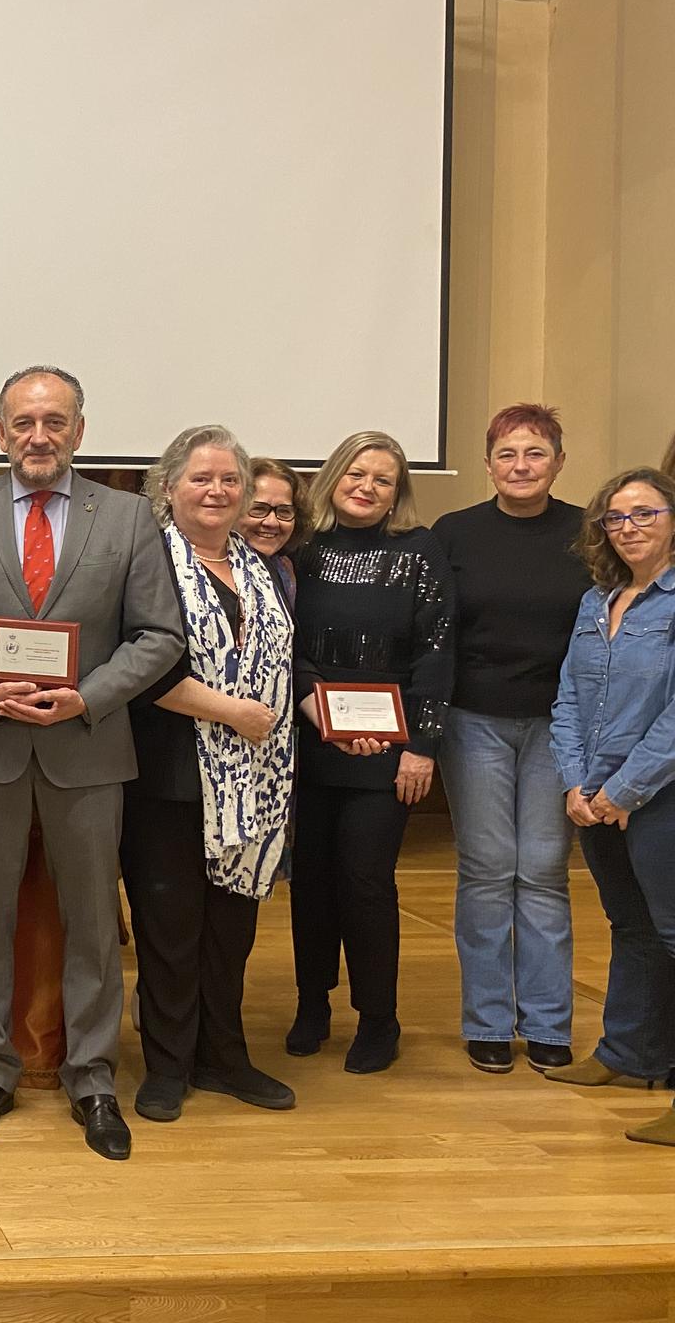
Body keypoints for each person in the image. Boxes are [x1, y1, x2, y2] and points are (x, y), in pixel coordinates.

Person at [0, 365, 183, 1159]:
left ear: (79, 432)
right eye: (23, 422)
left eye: (54, 422)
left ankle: (93, 1077)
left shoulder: (130, 517)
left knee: (95, 925)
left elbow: (160, 635)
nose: (39, 436)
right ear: (0, 433)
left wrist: (89, 696)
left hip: (89, 748)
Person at [124, 426, 296, 1124]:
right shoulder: (145, 565)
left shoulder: (267, 569)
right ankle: (167, 1066)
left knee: (232, 930)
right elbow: (141, 668)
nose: (218, 491)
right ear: (168, 489)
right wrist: (234, 713)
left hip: (254, 784)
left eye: (230, 480)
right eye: (201, 478)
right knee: (170, 927)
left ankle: (225, 1058)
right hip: (166, 776)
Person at [287, 430, 454, 1075]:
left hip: (389, 751)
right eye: (357, 474)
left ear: (397, 493)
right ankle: (311, 1006)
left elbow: (437, 652)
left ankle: (379, 1018)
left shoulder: (420, 552)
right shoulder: (302, 551)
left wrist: (422, 746)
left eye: (383, 480)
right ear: (334, 478)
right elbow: (285, 645)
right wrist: (317, 708)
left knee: (365, 880)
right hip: (309, 738)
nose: (368, 487)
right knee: (310, 882)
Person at [430, 405, 584, 1075]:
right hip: (475, 723)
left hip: (562, 725)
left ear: (558, 460)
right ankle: (488, 1021)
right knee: (489, 870)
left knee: (545, 870)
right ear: (489, 462)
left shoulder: (590, 533)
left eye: (535, 453)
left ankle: (549, 1023)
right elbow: (437, 635)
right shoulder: (454, 533)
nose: (520, 466)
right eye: (507, 454)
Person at [547, 467, 675, 1146]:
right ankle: (629, 1057)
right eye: (616, 518)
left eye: (644, 515)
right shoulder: (598, 600)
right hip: (594, 798)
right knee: (630, 927)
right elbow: (567, 695)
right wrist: (576, 783)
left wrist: (626, 791)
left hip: (658, 798)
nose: (628, 528)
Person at [240, 457, 311, 606]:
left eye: (284, 511)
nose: (272, 522)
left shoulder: (284, 568)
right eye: (258, 509)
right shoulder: (213, 571)